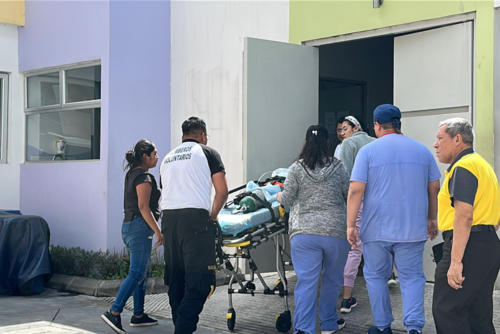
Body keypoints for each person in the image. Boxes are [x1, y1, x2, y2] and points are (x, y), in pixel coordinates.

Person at [346, 104, 441, 334]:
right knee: (412, 278)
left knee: (376, 277)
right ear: (399, 123)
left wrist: (350, 225)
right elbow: (434, 187)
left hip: (376, 229)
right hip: (412, 228)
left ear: (377, 125)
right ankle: (414, 328)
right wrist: (431, 219)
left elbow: (356, 190)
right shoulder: (422, 151)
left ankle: (382, 327)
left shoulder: (367, 152)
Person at [277, 125, 351, 334]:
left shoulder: (296, 168)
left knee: (306, 282)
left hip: (304, 232)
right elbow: (350, 195)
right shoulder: (339, 167)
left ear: (306, 142)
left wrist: (279, 196)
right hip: (335, 232)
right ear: (328, 143)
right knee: (332, 280)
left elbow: (288, 199)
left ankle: (304, 329)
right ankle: (328, 323)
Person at [160, 117, 228, 334]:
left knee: (176, 280)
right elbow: (222, 190)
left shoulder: (167, 158)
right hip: (195, 220)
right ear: (203, 136)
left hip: (169, 221)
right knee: (201, 282)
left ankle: (179, 326)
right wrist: (214, 216)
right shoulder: (207, 152)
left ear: (183, 135)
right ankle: (183, 329)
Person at [432, 118, 500, 334]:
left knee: (447, 309)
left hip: (466, 245)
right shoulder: (483, 166)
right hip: (487, 243)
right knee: (478, 314)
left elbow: (464, 216)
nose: (436, 144)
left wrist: (456, 261)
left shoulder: (463, 167)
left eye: (440, 138)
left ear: (457, 139)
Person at [101, 139, 163, 334]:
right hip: (138, 228)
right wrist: (157, 230)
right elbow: (143, 207)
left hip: (131, 226)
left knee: (142, 274)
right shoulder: (143, 177)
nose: (157, 157)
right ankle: (114, 312)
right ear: (145, 156)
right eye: (155, 154)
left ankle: (138, 315)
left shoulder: (132, 174)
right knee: (137, 273)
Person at [337, 115, 375, 314]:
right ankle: (387, 279)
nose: (342, 133)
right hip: (378, 202)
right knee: (379, 244)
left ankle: (346, 298)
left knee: (354, 248)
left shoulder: (348, 144)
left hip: (358, 201)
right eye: (340, 130)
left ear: (356, 127)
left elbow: (345, 178)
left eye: (345, 128)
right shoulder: (378, 143)